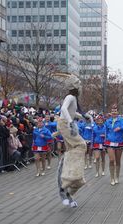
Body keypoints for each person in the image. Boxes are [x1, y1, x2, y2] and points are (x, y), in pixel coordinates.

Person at [55, 73, 88, 208]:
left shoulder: (73, 98)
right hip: (64, 124)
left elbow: (71, 111)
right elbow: (63, 109)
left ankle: (66, 189)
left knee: (69, 152)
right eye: (79, 85)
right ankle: (70, 180)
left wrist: (82, 116)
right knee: (81, 145)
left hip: (65, 123)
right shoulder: (70, 96)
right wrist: (71, 123)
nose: (81, 87)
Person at [104, 105, 123, 185]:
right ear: (111, 112)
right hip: (109, 142)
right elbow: (105, 131)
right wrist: (104, 139)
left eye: (115, 111)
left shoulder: (122, 120)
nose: (114, 113)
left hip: (119, 142)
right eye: (112, 111)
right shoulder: (107, 121)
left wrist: (121, 127)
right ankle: (112, 178)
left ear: (117, 112)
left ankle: (117, 177)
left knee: (118, 161)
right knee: (112, 160)